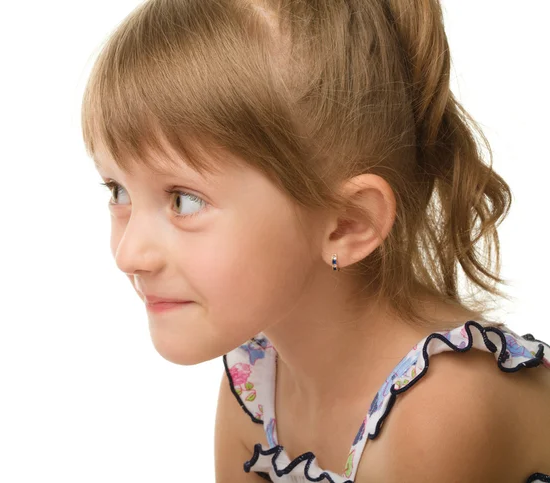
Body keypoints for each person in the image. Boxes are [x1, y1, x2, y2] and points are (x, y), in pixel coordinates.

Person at [80, 0, 550, 481]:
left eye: (184, 200)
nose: (128, 254)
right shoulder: (257, 380)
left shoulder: (439, 410)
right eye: (118, 191)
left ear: (347, 224)